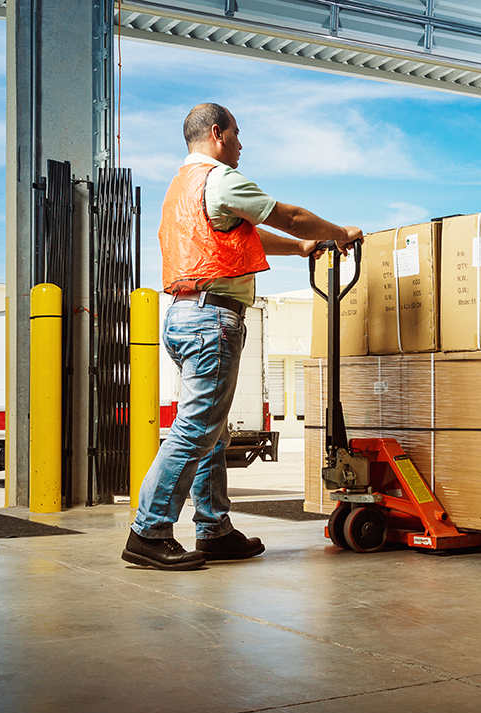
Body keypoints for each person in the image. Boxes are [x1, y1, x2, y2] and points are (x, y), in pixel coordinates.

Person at [122, 103, 363, 571]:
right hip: (211, 320)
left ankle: (214, 530)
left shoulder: (182, 187)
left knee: (211, 432)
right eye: (236, 134)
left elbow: (248, 236)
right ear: (217, 133)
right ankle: (148, 531)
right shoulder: (221, 179)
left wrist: (300, 248)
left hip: (184, 315)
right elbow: (288, 215)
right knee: (195, 430)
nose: (240, 145)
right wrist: (338, 233)